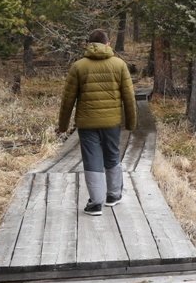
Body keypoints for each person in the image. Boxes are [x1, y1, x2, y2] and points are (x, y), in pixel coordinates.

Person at [57, 29, 137, 216]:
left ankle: (96, 203)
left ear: (89, 45)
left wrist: (62, 125)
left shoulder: (78, 66)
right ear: (108, 44)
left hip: (87, 123)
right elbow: (129, 98)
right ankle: (113, 195)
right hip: (111, 122)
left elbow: (67, 100)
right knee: (112, 154)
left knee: (92, 159)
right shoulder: (119, 65)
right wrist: (131, 124)